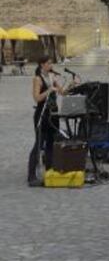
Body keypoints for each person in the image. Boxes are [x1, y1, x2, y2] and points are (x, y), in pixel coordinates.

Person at [27, 56, 64, 186]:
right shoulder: (38, 79)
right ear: (42, 65)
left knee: (50, 144)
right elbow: (37, 98)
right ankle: (31, 176)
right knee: (39, 144)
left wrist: (72, 84)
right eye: (48, 63)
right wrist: (49, 90)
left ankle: (49, 171)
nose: (51, 65)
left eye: (51, 63)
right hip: (42, 115)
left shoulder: (52, 76)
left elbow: (62, 92)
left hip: (53, 115)